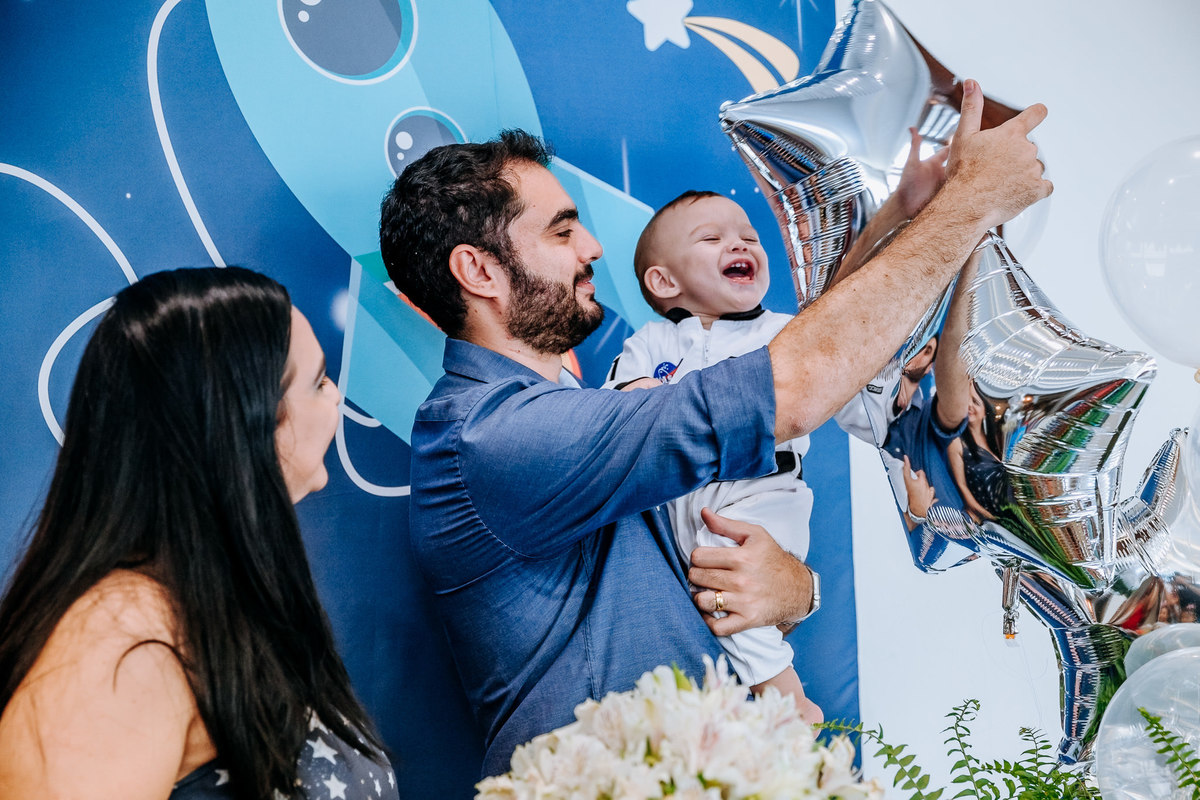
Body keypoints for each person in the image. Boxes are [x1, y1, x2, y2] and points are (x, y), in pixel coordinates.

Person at [378, 78, 1051, 775]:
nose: (594, 247)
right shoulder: (491, 435)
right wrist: (970, 201)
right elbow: (792, 385)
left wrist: (797, 587)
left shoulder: (580, 409)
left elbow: (805, 360)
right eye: (563, 230)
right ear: (480, 271)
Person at [0, 268, 397, 800]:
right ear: (249, 424)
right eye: (319, 382)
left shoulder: (208, 601)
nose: (336, 399)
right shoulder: (122, 639)